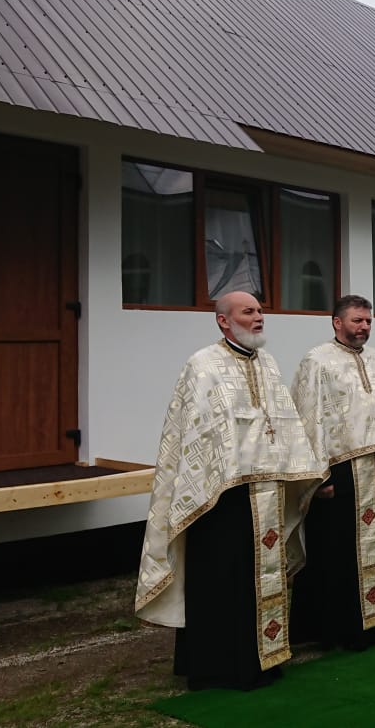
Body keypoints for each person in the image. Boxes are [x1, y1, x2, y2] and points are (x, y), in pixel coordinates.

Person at [136, 291, 326, 691]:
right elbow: (194, 434)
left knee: (263, 579)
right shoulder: (202, 366)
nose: (259, 317)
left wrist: (302, 472)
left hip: (268, 492)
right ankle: (217, 666)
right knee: (222, 581)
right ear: (224, 321)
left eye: (259, 311)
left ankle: (264, 659)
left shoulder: (269, 364)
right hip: (221, 498)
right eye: (249, 312)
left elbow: (285, 423)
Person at [289, 295, 375, 651]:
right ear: (337, 322)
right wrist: (319, 475)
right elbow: (308, 420)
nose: (364, 327)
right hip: (340, 473)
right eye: (357, 321)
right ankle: (337, 629)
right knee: (337, 550)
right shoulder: (316, 361)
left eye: (368, 321)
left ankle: (374, 624)